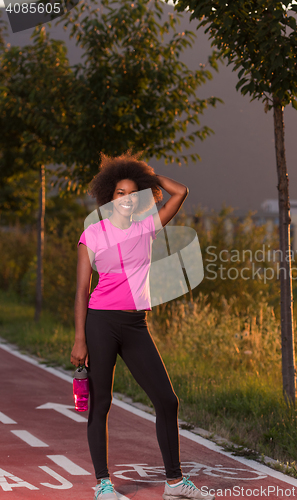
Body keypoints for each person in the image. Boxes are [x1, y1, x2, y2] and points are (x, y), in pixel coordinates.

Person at [71, 150, 214, 500]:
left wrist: (148, 178)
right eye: (119, 193)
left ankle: (175, 483)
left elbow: (180, 192)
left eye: (132, 195)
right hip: (100, 323)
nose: (125, 199)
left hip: (136, 325)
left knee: (167, 401)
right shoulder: (92, 235)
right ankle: (103, 485)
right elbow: (81, 290)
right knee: (101, 403)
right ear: (109, 197)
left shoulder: (147, 227)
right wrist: (79, 339)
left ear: (139, 201)